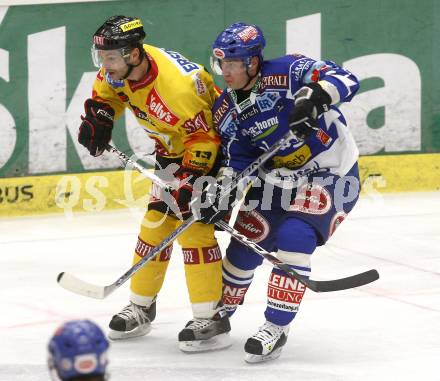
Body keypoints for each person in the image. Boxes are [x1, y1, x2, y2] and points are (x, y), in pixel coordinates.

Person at [198, 22, 361, 363]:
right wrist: (223, 193)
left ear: (253, 62)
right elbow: (237, 158)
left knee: (295, 236)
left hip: (331, 173)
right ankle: (221, 313)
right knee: (244, 241)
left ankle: (276, 326)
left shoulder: (288, 71)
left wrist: (315, 97)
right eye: (221, 65)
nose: (225, 73)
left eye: (232, 64)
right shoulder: (226, 109)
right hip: (277, 180)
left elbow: (346, 78)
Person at [77, 15, 230, 352]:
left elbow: (206, 138)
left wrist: (192, 179)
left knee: (194, 230)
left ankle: (211, 319)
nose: (105, 65)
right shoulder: (119, 70)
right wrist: (101, 115)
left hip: (216, 152)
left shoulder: (176, 87)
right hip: (171, 153)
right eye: (101, 57)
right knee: (155, 225)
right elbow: (108, 94)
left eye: (111, 58)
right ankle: (141, 307)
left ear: (134, 54)